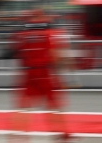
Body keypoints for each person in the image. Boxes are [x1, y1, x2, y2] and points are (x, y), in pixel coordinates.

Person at [10, 9, 73, 142]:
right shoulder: (52, 33)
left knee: (24, 106)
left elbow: (17, 53)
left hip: (28, 73)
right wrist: (61, 75)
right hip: (46, 73)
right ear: (41, 17)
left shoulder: (20, 35)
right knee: (54, 105)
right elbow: (58, 56)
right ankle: (62, 133)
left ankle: (18, 136)